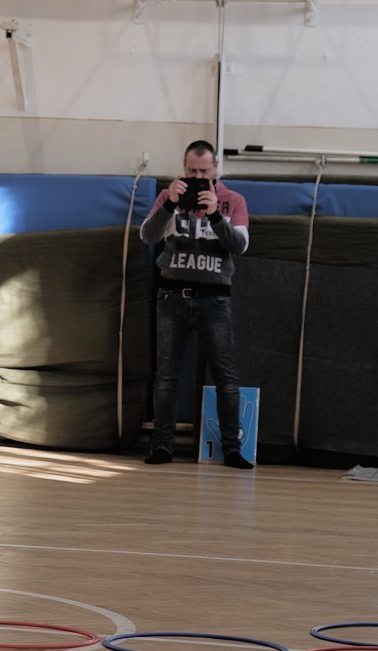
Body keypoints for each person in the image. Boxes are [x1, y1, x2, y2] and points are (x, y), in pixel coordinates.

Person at [140, 140, 253, 470]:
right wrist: (169, 206)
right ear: (184, 168)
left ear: (216, 168)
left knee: (226, 378)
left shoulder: (233, 201)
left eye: (204, 171)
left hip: (215, 300)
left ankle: (232, 449)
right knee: (166, 377)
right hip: (172, 297)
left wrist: (215, 213)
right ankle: (162, 447)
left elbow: (240, 245)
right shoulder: (168, 196)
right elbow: (147, 236)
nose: (198, 176)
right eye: (192, 170)